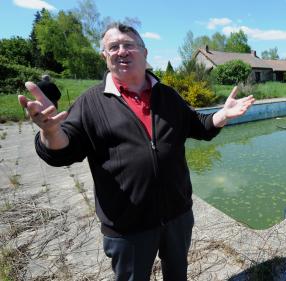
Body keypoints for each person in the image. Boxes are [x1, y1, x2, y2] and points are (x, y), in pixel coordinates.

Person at [18, 22, 255, 281]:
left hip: (177, 215)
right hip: (127, 225)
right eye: (113, 47)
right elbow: (65, 151)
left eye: (129, 45)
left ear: (144, 52)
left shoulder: (167, 95)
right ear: (104, 57)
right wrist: (50, 131)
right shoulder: (91, 103)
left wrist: (222, 114)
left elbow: (198, 125)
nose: (122, 51)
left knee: (178, 275)